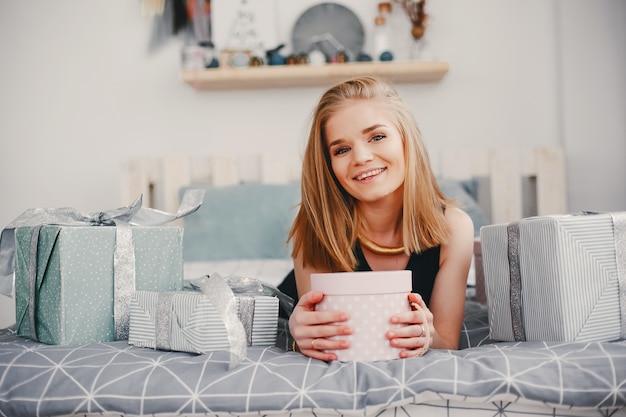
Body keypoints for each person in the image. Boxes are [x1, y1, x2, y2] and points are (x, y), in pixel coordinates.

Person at [278, 76, 474, 361]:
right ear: (328, 165)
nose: (361, 157)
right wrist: (297, 337)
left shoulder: (454, 228)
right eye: (341, 149)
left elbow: (446, 341)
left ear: (407, 139)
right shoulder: (316, 228)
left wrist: (427, 337)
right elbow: (318, 342)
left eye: (377, 137)